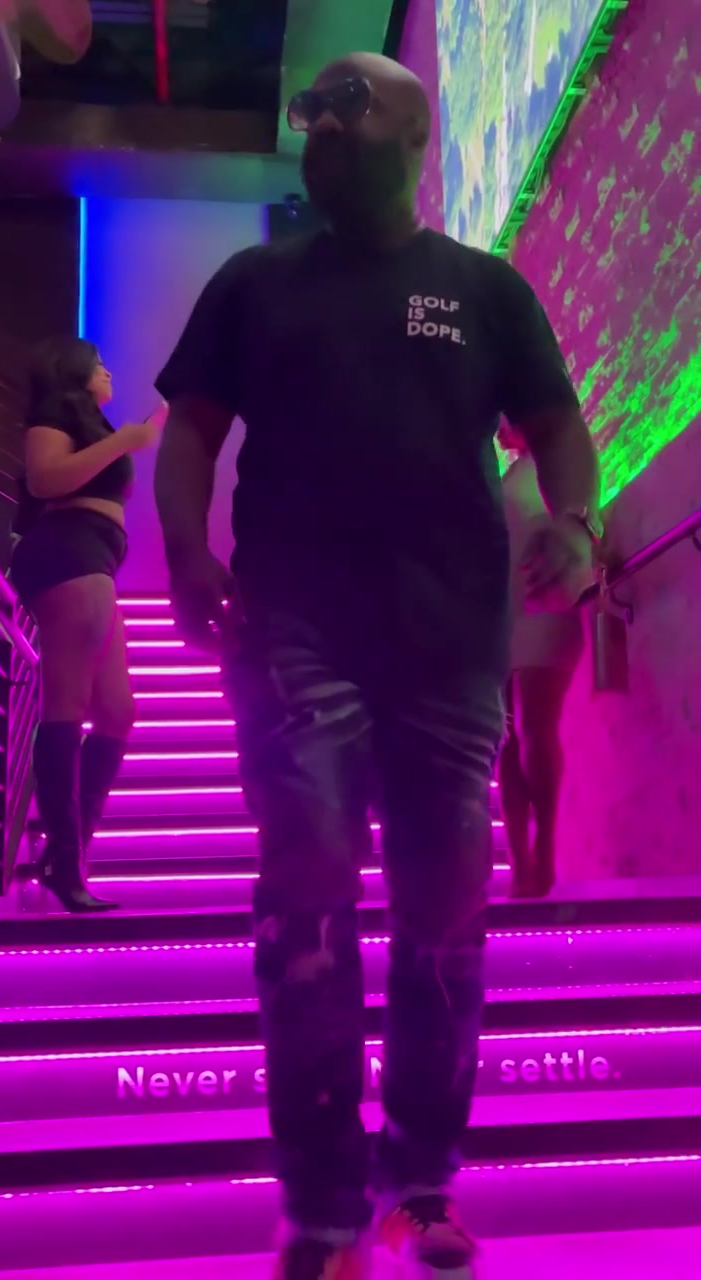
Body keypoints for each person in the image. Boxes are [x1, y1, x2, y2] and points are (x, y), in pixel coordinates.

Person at [153, 52, 599, 1280]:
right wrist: (185, 550)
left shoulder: (485, 290)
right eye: (316, 120)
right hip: (293, 630)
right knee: (306, 873)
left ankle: (421, 1178)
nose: (326, 133)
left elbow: (558, 425)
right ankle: (321, 1201)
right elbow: (189, 433)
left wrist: (576, 520)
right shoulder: (254, 286)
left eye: (351, 114)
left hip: (451, 643)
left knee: (445, 904)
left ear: (413, 136)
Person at [10, 336, 159, 913]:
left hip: (95, 554)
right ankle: (66, 866)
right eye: (99, 364)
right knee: (68, 702)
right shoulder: (54, 411)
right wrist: (126, 441)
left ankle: (66, 855)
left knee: (118, 710)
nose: (108, 371)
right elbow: (45, 480)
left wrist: (139, 431)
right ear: (75, 371)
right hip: (66, 549)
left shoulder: (95, 424)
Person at [497, 422, 599, 899]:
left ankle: (546, 851)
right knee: (511, 737)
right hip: (508, 611)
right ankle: (522, 861)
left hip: (548, 603)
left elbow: (588, 526)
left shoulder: (562, 467)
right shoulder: (511, 472)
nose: (500, 425)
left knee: (534, 728)